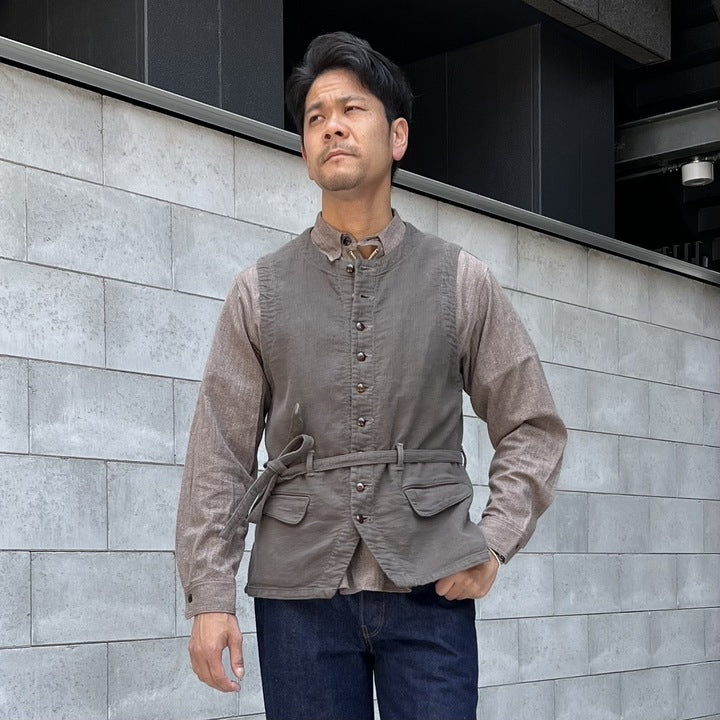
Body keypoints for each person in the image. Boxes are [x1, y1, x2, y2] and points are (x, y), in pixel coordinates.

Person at [176, 31, 567, 720]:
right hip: (298, 598)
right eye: (315, 117)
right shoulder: (258, 291)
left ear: (398, 136)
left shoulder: (460, 280)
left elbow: (532, 425)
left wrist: (494, 541)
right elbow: (219, 453)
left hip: (430, 587)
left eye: (352, 109)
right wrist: (210, 595)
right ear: (305, 151)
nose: (332, 126)